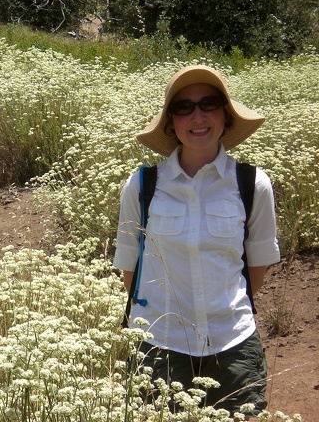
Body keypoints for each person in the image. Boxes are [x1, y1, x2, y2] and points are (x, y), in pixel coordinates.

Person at [113, 65, 280, 415]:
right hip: (159, 347)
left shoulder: (253, 184)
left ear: (226, 116)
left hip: (234, 344)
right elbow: (131, 271)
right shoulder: (142, 185)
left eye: (209, 104)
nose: (198, 116)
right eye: (184, 107)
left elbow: (256, 273)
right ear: (170, 122)